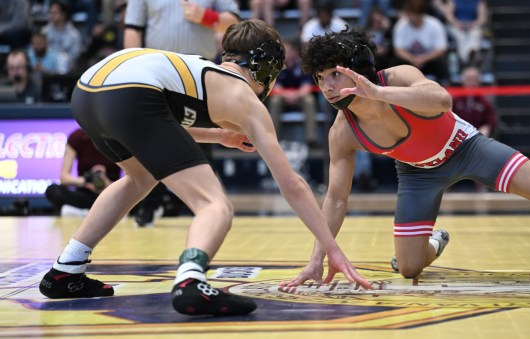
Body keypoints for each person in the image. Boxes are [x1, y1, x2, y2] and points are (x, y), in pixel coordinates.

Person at [38, 20, 371, 317]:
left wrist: (219, 136)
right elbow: (292, 184)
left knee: (140, 178)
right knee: (215, 205)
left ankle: (65, 268)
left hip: (87, 92)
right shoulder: (243, 97)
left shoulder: (200, 70)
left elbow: (158, 120)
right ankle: (191, 281)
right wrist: (332, 249)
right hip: (133, 94)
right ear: (265, 69)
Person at [280, 28, 530, 287]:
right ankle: (434, 240)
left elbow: (442, 101)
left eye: (334, 74)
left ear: (359, 69)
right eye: (320, 78)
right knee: (410, 268)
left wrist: (379, 93)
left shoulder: (398, 77)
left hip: (467, 148)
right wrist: (317, 258)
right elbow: (336, 200)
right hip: (418, 174)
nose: (326, 87)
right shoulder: (343, 132)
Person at [124, 0, 241, 226]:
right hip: (155, 72)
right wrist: (132, 65)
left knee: (204, 140)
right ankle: (149, 204)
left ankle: (214, 206)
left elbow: (233, 25)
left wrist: (206, 16)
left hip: (198, 72)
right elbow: (133, 29)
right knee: (153, 140)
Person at [45, 128, 121, 216]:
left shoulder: (119, 136)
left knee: (138, 194)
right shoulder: (77, 137)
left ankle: (84, 212)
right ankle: (93, 212)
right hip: (85, 193)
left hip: (113, 192)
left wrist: (108, 185)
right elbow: (64, 178)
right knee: (53, 190)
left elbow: (133, 177)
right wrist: (86, 181)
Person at [268, 39, 318, 147]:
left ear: (294, 52)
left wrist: (294, 95)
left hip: (299, 97)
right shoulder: (276, 66)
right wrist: (287, 95)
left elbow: (307, 87)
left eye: (287, 51)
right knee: (275, 100)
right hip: (282, 97)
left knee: (309, 100)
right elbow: (276, 87)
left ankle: (311, 139)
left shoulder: (302, 66)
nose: (283, 54)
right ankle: (273, 138)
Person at [392, 0, 450, 85]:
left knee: (441, 63)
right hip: (409, 61)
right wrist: (412, 59)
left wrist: (424, 59)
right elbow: (398, 49)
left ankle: (446, 86)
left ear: (420, 14)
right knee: (395, 63)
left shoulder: (435, 24)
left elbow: (441, 49)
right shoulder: (401, 25)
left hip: (429, 60)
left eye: (413, 14)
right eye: (409, 14)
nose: (410, 17)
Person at [435, 0, 487, 68]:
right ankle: (469, 58)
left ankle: (470, 55)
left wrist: (473, 24)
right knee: (461, 36)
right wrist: (457, 24)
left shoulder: (479, 1)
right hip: (456, 26)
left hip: (472, 26)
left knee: (475, 34)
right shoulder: (453, 1)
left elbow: (482, 18)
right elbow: (449, 16)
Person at [41, 1, 83, 67]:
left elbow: (74, 57)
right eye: (50, 13)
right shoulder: (44, 32)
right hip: (46, 67)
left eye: (55, 13)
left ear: (63, 15)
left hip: (66, 69)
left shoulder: (74, 34)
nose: (51, 15)